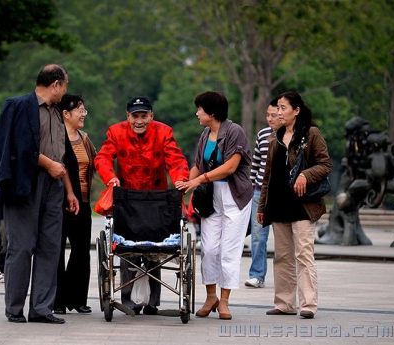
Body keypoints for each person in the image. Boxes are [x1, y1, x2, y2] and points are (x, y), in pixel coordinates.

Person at [0, 63, 79, 324]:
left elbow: (61, 154)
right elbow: (17, 147)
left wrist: (69, 190)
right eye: (65, 85)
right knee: (21, 247)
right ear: (55, 84)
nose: (66, 91)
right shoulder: (19, 105)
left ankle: (42, 308)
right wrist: (48, 164)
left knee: (50, 247)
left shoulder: (57, 113)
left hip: (54, 185)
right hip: (25, 184)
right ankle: (15, 308)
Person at [94, 96, 189, 315]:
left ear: (151, 116)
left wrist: (180, 179)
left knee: (154, 250)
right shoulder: (116, 132)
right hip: (127, 199)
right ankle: (129, 302)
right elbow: (102, 158)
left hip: (156, 200)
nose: (139, 121)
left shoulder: (163, 132)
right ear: (128, 116)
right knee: (128, 251)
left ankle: (152, 302)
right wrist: (110, 177)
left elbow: (176, 160)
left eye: (144, 116)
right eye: (135, 116)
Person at [257, 91, 332, 319]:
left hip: (302, 205)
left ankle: (308, 305)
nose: (279, 112)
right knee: (282, 257)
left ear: (296, 110)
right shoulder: (274, 137)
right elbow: (267, 176)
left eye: (283, 108)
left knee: (304, 254)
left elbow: (325, 164)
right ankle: (284, 303)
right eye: (277, 108)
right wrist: (261, 207)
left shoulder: (311, 134)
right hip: (279, 205)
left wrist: (305, 175)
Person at [178, 91, 252, 320]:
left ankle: (225, 301)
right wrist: (187, 183)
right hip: (210, 197)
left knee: (228, 251)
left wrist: (198, 180)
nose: (196, 113)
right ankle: (211, 296)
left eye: (199, 109)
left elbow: (230, 167)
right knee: (209, 249)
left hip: (234, 195)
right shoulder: (205, 134)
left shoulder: (234, 132)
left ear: (212, 112)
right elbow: (198, 165)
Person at [53, 94, 97, 314]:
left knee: (81, 251)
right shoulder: (55, 139)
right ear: (65, 114)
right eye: (79, 109)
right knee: (57, 250)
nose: (83, 114)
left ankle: (78, 299)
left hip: (84, 201)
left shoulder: (84, 138)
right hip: (59, 203)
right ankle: (58, 300)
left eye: (84, 110)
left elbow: (98, 162)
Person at [245, 97, 281, 288]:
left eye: (273, 115)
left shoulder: (291, 136)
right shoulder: (262, 135)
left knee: (284, 238)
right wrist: (251, 189)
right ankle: (257, 275)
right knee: (258, 236)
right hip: (260, 193)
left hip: (282, 195)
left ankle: (284, 277)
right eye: (267, 115)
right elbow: (256, 164)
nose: (269, 118)